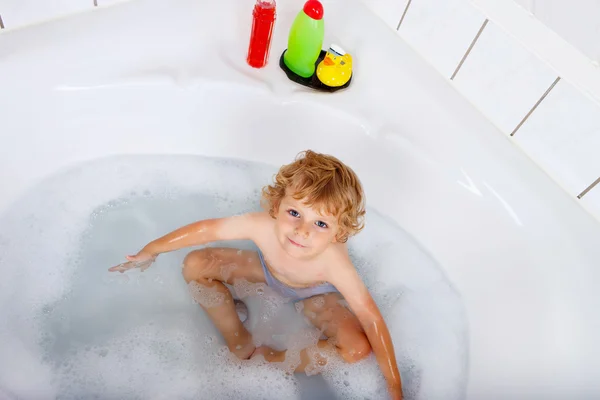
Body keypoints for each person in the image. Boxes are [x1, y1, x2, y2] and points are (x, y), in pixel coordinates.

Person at [109, 150, 403, 399]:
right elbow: (205, 229)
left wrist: (394, 388)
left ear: (340, 233)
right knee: (195, 264)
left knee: (356, 349)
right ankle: (239, 340)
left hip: (318, 295)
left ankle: (269, 359)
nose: (302, 230)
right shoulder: (262, 224)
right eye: (295, 213)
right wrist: (151, 250)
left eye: (321, 225)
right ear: (277, 206)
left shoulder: (335, 264)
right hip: (265, 273)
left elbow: (371, 318)